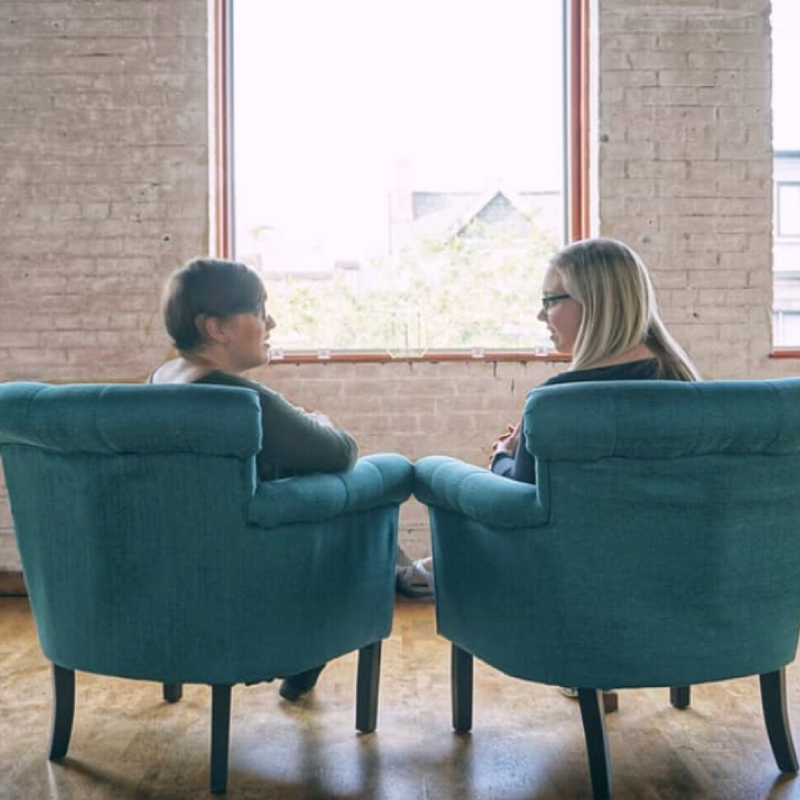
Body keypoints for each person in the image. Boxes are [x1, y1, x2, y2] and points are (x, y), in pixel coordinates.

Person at [151, 257, 358, 701]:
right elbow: (340, 451)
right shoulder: (239, 399)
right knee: (371, 484)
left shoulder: (160, 382)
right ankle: (399, 581)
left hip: (178, 576)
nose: (272, 322)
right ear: (217, 328)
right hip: (256, 582)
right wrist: (317, 423)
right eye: (260, 311)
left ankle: (402, 575)